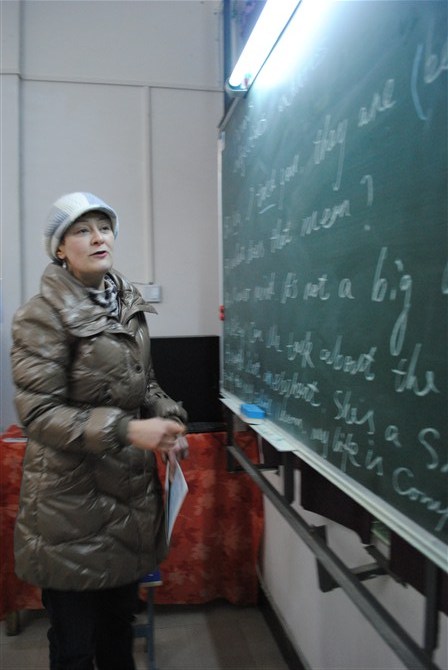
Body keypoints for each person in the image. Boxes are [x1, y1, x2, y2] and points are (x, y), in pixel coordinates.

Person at [10, 192, 188, 670]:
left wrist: (168, 417)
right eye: (82, 230)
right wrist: (129, 431)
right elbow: (40, 415)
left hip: (128, 499)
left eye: (104, 227)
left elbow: (144, 384)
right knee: (74, 647)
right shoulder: (40, 315)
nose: (97, 238)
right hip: (69, 506)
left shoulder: (126, 303)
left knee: (117, 635)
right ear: (59, 248)